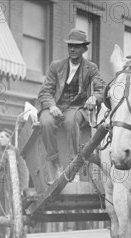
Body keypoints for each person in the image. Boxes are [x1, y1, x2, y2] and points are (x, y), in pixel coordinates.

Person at [38, 29, 105, 185]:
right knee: (45, 122)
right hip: (56, 106)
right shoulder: (56, 66)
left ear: (84, 49)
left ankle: (74, 167)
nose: (73, 49)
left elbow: (101, 88)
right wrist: (52, 106)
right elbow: (45, 91)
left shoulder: (91, 68)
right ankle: (56, 164)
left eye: (77, 46)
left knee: (71, 120)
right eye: (70, 46)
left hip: (77, 108)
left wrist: (94, 98)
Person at [0, 129, 29, 238]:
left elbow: (23, 170)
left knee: (16, 211)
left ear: (9, 138)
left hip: (13, 187)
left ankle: (16, 236)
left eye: (2, 137)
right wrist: (4, 160)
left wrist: (22, 188)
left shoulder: (16, 152)